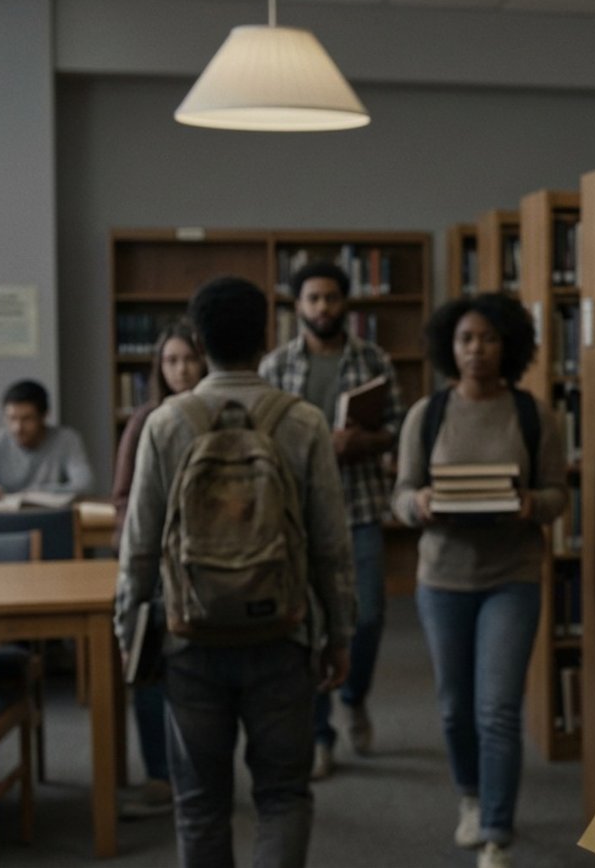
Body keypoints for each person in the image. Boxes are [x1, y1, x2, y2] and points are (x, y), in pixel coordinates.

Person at [115, 276, 355, 868]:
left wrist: (131, 635)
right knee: (281, 795)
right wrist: (339, 633)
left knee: (198, 805)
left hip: (188, 636)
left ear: (199, 340)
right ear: (266, 337)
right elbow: (330, 544)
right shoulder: (302, 422)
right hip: (283, 631)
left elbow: (139, 546)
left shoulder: (166, 424)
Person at [391, 294, 566, 868]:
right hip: (442, 577)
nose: (477, 350)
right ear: (449, 345)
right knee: (453, 707)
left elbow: (557, 497)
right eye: (466, 339)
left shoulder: (534, 414)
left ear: (508, 346)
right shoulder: (427, 414)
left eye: (488, 338)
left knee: (497, 708)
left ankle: (496, 831)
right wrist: (417, 504)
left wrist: (527, 506)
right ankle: (469, 796)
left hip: (510, 576)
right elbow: (400, 497)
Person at [260, 261, 402, 780]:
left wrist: (360, 442)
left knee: (367, 618)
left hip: (358, 508)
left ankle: (354, 695)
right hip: (295, 513)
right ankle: (318, 734)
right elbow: (259, 438)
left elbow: (397, 429)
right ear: (298, 305)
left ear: (346, 303)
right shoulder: (275, 366)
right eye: (313, 299)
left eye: (331, 298)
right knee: (307, 623)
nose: (322, 307)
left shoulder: (374, 359)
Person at [109, 320, 206, 820]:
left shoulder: (216, 415)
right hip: (154, 563)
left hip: (206, 566)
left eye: (189, 359)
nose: (181, 369)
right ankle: (157, 775)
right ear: (159, 368)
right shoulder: (145, 420)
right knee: (147, 670)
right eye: (171, 361)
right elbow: (122, 498)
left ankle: (199, 777)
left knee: (200, 680)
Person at [0, 379, 93, 499]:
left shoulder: (67, 440)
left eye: (26, 419)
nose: (18, 428)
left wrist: (31, 493)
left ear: (44, 416)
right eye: (11, 418)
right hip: (5, 515)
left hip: (50, 515)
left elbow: (84, 485)